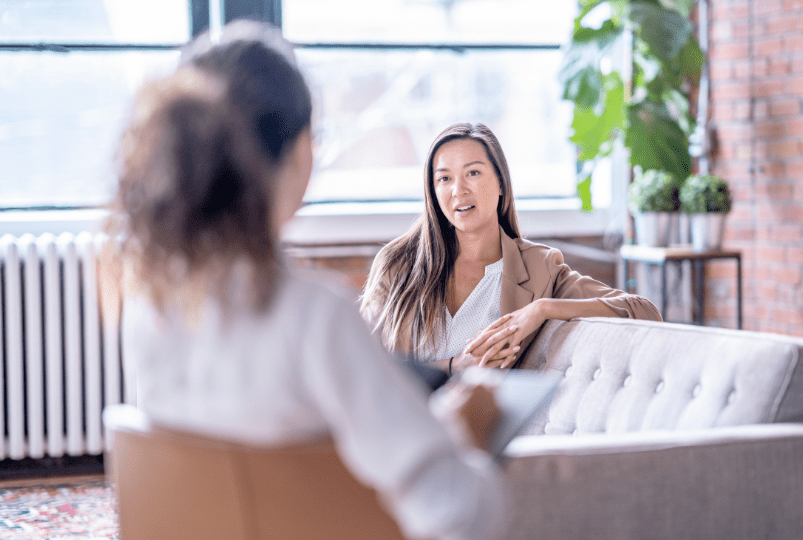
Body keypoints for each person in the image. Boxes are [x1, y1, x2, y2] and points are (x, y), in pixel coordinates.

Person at [108, 21, 507, 540]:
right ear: (300, 154)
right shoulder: (314, 315)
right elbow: (460, 515)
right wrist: (463, 438)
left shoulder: (150, 303)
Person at [361, 123, 662, 374]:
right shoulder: (397, 264)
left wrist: (543, 308)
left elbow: (644, 312)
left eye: (473, 173)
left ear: (502, 182)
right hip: (406, 429)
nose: (459, 190)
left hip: (490, 434)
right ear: (433, 191)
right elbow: (362, 368)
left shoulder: (538, 267)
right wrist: (454, 367)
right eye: (444, 178)